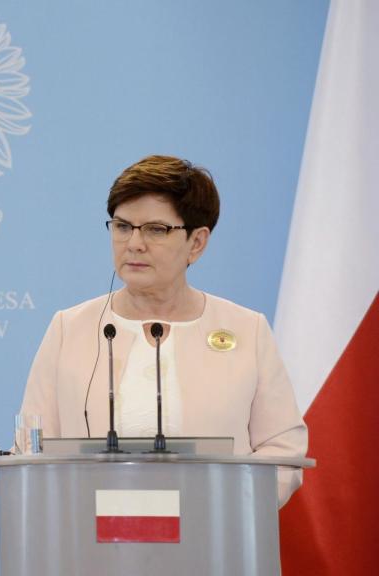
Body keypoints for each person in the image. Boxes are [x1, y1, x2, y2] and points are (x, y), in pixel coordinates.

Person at [17, 155, 307, 506]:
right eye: (123, 226)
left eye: (156, 229)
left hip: (215, 541)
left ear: (197, 242)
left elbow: (283, 452)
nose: (134, 243)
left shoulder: (246, 330)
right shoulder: (69, 328)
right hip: (92, 543)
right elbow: (32, 449)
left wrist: (227, 509)